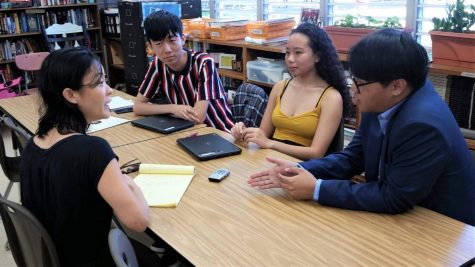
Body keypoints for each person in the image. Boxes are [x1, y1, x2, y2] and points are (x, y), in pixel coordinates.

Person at [248, 28, 475, 226]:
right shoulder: (381, 99)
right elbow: (353, 157)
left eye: (358, 83)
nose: (352, 91)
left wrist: (317, 189)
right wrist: (299, 169)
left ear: (396, 86)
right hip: (402, 215)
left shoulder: (423, 125)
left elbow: (392, 197)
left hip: (439, 226)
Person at [20, 47, 151, 266]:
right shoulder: (93, 150)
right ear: (70, 95)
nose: (109, 90)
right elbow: (138, 221)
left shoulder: (33, 144)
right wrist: (129, 183)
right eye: (99, 83)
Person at [231, 23, 349, 160]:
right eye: (287, 53)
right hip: (270, 160)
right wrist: (243, 132)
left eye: (298, 52)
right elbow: (263, 134)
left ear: (317, 56)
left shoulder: (331, 97)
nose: (290, 59)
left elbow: (316, 153)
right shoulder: (280, 87)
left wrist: (271, 144)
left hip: (303, 169)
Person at [133, 10, 234, 132]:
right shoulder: (158, 63)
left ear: (182, 39)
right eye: (159, 43)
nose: (167, 49)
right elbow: (138, 107)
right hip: (184, 130)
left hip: (219, 131)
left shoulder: (203, 63)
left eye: (172, 40)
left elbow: (198, 117)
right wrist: (173, 108)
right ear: (150, 46)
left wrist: (172, 110)